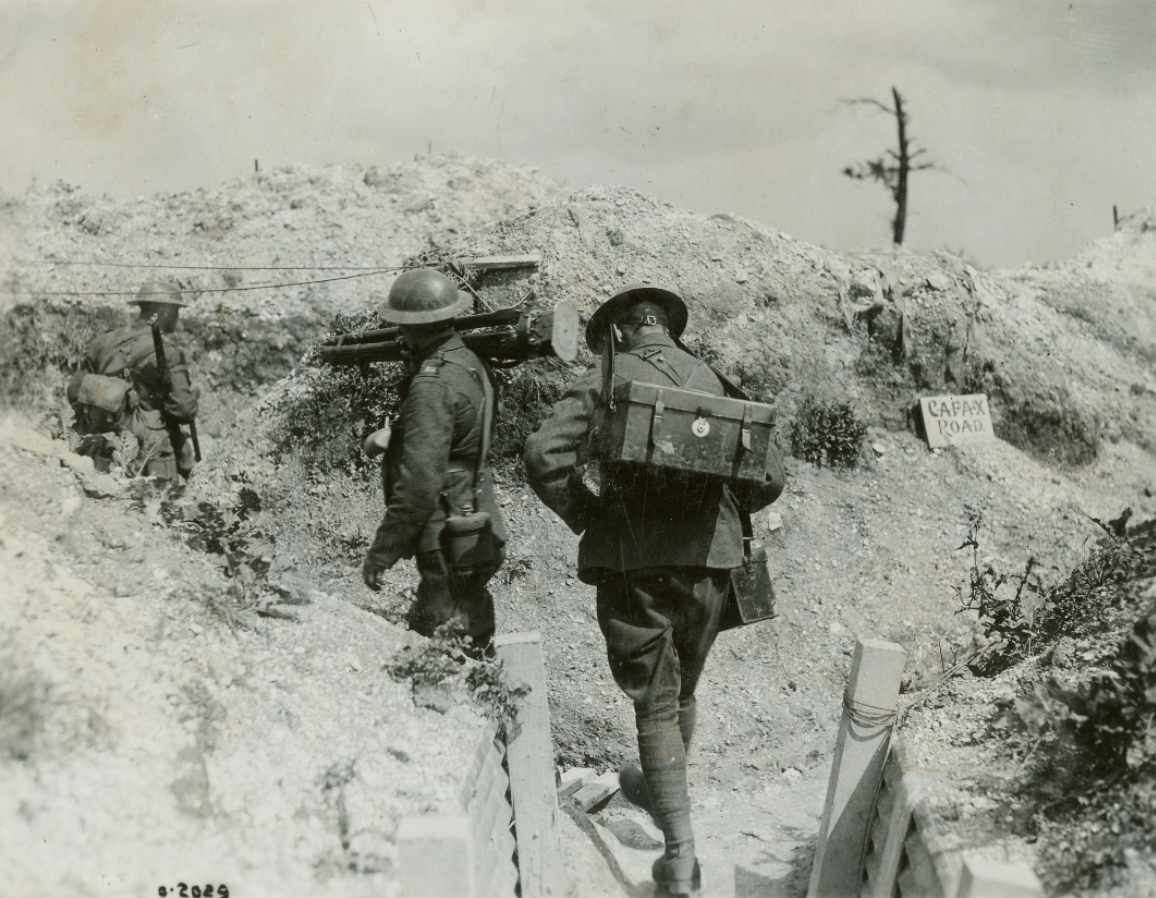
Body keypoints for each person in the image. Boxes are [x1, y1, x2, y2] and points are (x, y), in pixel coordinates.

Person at [523, 283, 785, 895]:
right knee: (681, 689)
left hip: (634, 561)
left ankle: (681, 857)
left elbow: (542, 454)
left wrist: (588, 514)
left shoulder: (604, 377)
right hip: (712, 565)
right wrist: (720, 511)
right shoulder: (714, 380)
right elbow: (769, 474)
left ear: (619, 331)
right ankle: (651, 785)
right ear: (666, 326)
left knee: (655, 702)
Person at [362, 269, 507, 652]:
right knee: (472, 620)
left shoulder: (433, 383)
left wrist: (383, 551)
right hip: (475, 516)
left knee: (441, 638)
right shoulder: (470, 362)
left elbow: (419, 483)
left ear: (413, 325)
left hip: (443, 530)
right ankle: (487, 701)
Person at [67, 280, 199, 482]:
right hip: (148, 448)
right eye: (176, 311)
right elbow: (183, 409)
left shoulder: (104, 341)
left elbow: (74, 392)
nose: (177, 318)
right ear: (165, 311)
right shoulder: (168, 353)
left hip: (98, 438)